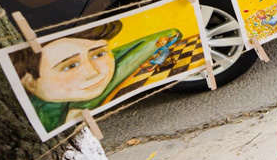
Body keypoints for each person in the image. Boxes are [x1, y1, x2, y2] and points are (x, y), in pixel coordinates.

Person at [10, 23, 184, 133]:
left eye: (99, 54)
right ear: (30, 82)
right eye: (70, 66)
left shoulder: (120, 64)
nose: (93, 72)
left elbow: (165, 35)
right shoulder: (42, 117)